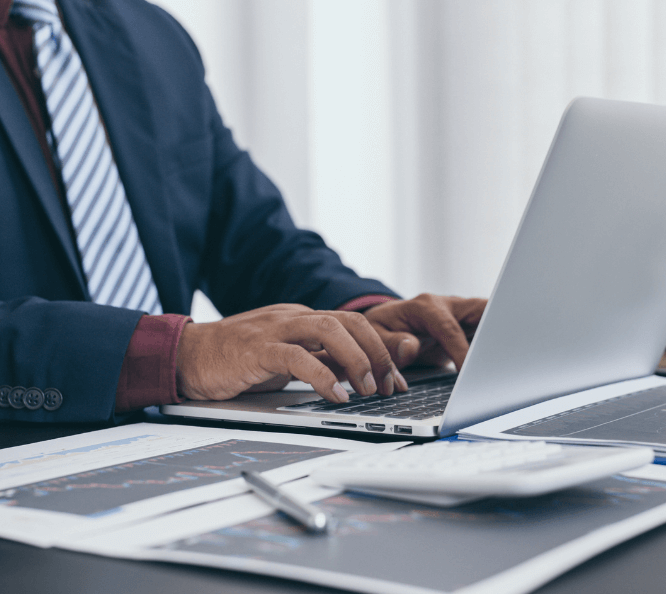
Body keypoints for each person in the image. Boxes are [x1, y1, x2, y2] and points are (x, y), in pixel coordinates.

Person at [0, 0, 486, 424]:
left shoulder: (151, 37)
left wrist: (362, 319)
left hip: (180, 449)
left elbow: (252, 240)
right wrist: (175, 356)